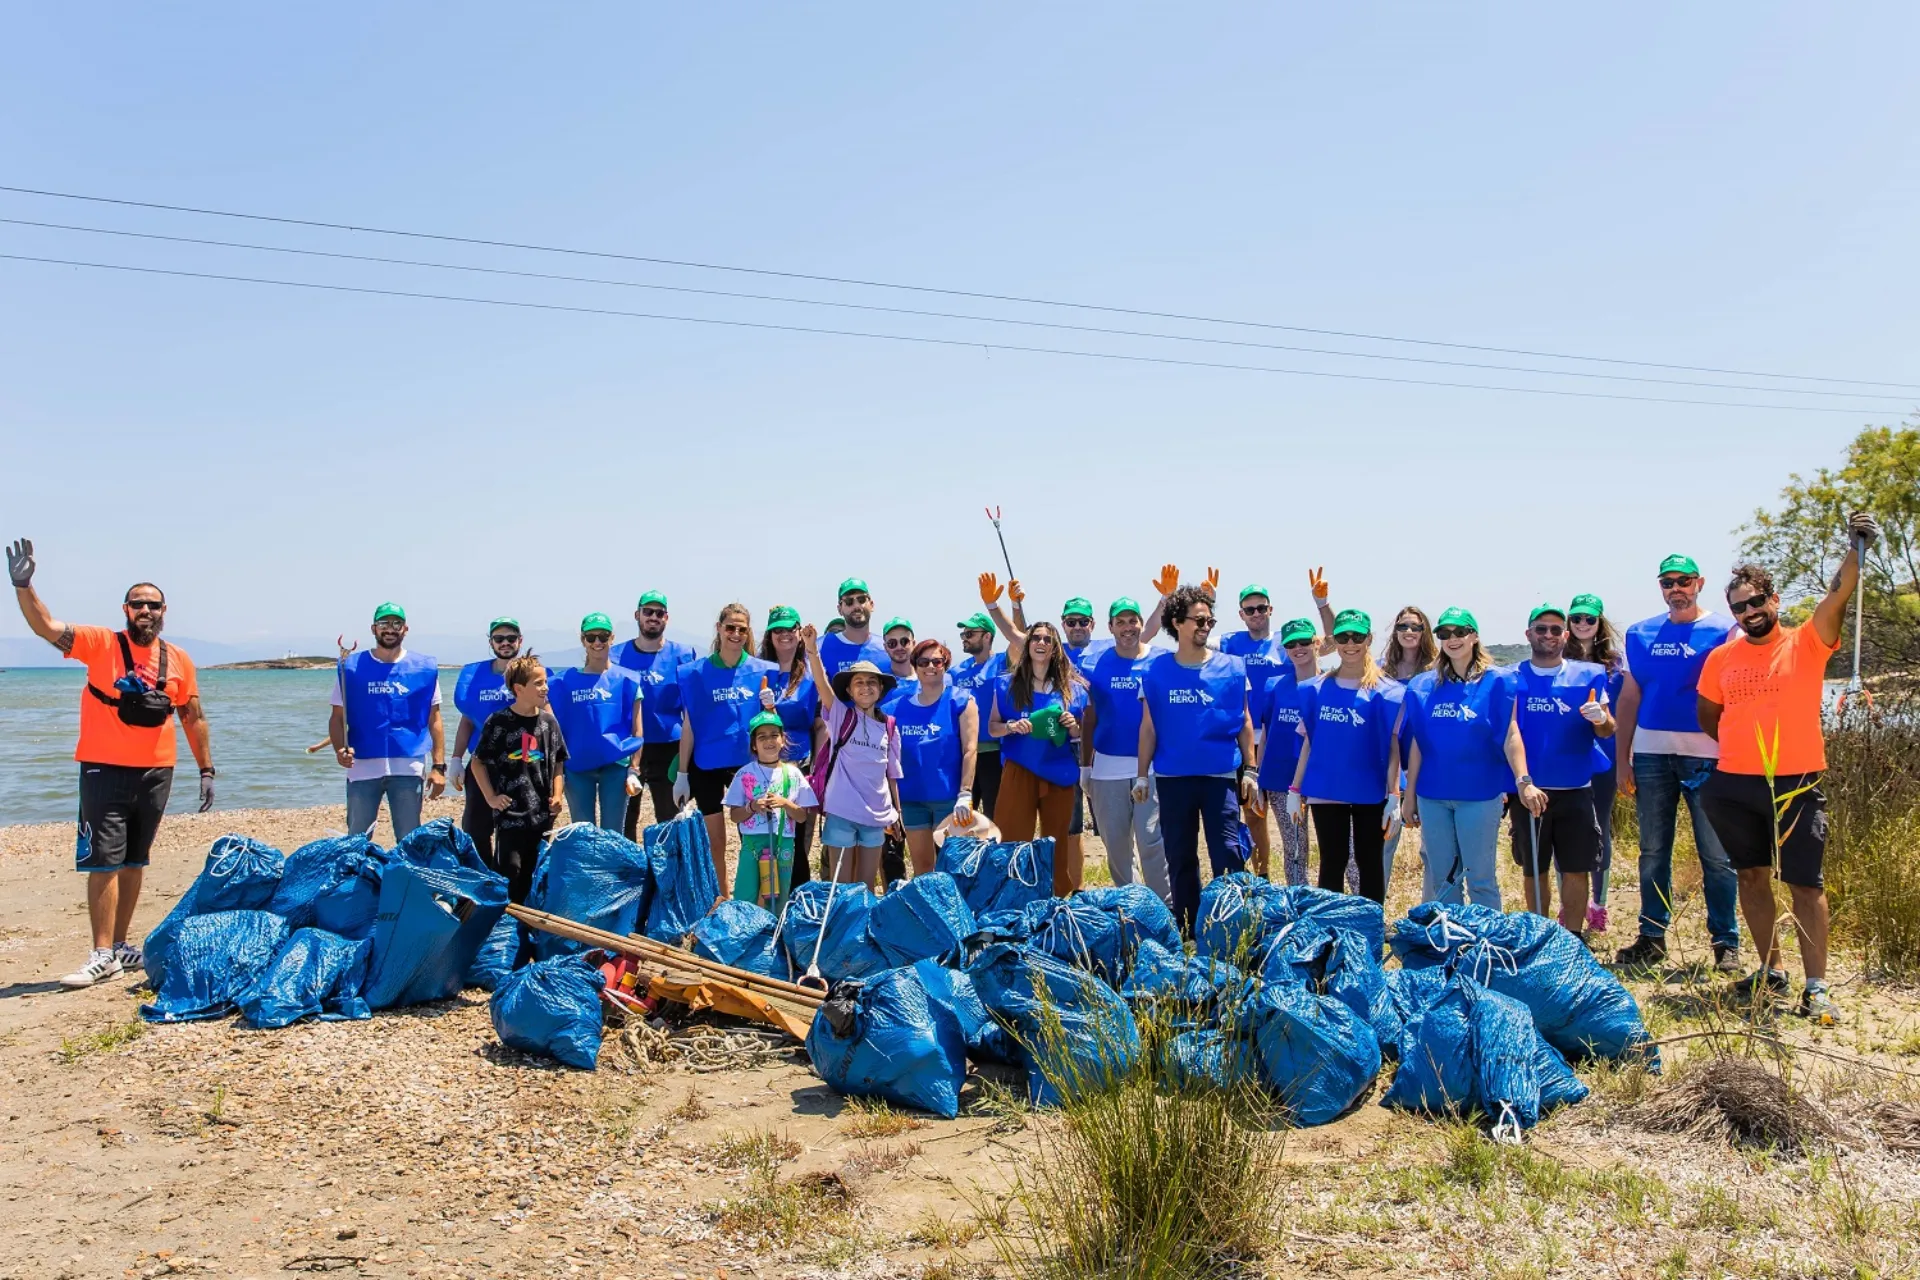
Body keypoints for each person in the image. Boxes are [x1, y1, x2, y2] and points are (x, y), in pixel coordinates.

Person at [8, 539, 215, 989]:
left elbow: (192, 715)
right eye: (138, 604)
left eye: (153, 605)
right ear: (126, 609)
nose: (146, 611)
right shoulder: (100, 644)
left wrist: (206, 770)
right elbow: (45, 626)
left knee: (135, 861)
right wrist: (24, 586)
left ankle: (120, 946)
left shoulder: (178, 658)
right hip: (103, 767)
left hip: (157, 770)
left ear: (165, 610)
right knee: (102, 861)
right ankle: (101, 953)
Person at [1698, 515, 1877, 1025]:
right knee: (1752, 878)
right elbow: (1710, 717)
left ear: (1773, 600)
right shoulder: (1721, 658)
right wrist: (1739, 751)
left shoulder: (1807, 641)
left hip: (1798, 781)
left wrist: (1855, 546)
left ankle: (1816, 987)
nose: (1750, 612)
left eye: (1757, 602)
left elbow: (1839, 592)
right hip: (1733, 784)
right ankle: (1771, 971)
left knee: (1806, 884)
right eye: (1740, 607)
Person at [1613, 555, 1742, 973]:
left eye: (1684, 581)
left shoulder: (1726, 630)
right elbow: (1630, 698)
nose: (1676, 589)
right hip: (1651, 756)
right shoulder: (1641, 633)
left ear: (1699, 582)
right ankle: (1652, 937)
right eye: (1668, 582)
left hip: (1709, 757)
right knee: (1652, 851)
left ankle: (1726, 943)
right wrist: (1622, 760)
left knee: (1717, 856)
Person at [1402, 608, 1543, 909]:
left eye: (1460, 632)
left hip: (1479, 795)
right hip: (1433, 796)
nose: (1453, 639)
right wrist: (1409, 795)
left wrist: (1523, 781)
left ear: (1474, 636)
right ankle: (1452, 947)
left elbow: (1511, 734)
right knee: (1444, 880)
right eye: (1444, 634)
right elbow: (1417, 745)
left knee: (1480, 879)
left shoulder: (1499, 683)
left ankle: (1486, 949)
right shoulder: (1423, 686)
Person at [1138, 586, 1258, 933]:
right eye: (1199, 619)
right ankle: (1188, 927)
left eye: (1210, 620)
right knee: (1180, 856)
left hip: (1219, 777)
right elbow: (1148, 727)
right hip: (1174, 778)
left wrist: (1250, 769)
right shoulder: (1156, 670)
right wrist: (1142, 775)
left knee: (1227, 854)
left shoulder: (1233, 668)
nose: (1206, 626)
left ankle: (1231, 926)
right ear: (1177, 623)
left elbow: (1245, 722)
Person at [1223, 572, 1341, 878]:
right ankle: (1263, 876)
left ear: (1270, 610)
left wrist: (1322, 604)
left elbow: (1334, 640)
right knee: (1257, 815)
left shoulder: (1284, 640)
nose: (1256, 614)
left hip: (1299, 743)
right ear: (1241, 614)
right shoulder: (1231, 642)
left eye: (1261, 608)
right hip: (1256, 738)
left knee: (1332, 838)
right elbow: (1193, 638)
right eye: (1250, 610)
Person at [1508, 604, 1615, 937]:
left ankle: (1572, 938)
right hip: (1530, 792)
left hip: (1577, 789)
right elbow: (1507, 732)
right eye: (1541, 629)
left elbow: (1607, 730)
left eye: (1556, 630)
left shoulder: (1590, 674)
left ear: (1565, 635)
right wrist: (1521, 782)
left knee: (1576, 869)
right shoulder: (1510, 677)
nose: (1549, 635)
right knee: (1534, 870)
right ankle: (1540, 939)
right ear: (1529, 634)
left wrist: (1601, 717)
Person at [1287, 610, 1405, 904]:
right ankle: (1331, 931)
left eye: (1357, 636)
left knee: (1369, 861)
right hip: (1326, 790)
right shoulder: (1315, 689)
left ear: (1369, 639)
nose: (1350, 643)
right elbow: (1309, 743)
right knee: (1331, 861)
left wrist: (1394, 794)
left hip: (1370, 791)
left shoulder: (1388, 692)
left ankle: (1370, 929)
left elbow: (1393, 747)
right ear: (1333, 641)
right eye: (1342, 637)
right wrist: (1294, 788)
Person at [674, 604, 778, 888]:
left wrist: (771, 707)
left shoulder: (762, 671)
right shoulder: (695, 673)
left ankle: (758, 896)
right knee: (715, 841)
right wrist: (682, 774)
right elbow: (689, 725)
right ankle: (721, 898)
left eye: (741, 629)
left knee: (754, 837)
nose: (735, 633)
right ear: (719, 628)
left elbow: (771, 728)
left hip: (744, 765)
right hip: (705, 765)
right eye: (730, 627)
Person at [1081, 598, 1172, 902]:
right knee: (1117, 847)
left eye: (1133, 620)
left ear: (1141, 624)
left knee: (1152, 843)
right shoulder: (1094, 664)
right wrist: (1085, 767)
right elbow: (1089, 717)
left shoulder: (1161, 661)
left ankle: (1165, 909)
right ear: (1110, 627)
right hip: (1107, 767)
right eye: (1120, 622)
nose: (1127, 627)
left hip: (1153, 767)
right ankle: (1133, 906)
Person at [329, 603, 446, 839]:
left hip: (408, 765)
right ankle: (358, 876)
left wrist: (438, 766)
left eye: (396, 624)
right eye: (384, 624)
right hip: (362, 766)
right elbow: (337, 717)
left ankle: (405, 876)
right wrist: (339, 749)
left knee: (409, 838)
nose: (390, 629)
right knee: (357, 838)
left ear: (405, 629)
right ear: (374, 629)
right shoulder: (350, 668)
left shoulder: (423, 668)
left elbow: (434, 719)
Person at [989, 619, 1090, 893]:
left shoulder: (1073, 689)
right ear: (1027, 645)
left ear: (1056, 647)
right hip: (1019, 769)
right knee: (1011, 838)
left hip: (1059, 772)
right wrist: (1011, 727)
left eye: (1047, 639)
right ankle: (1008, 899)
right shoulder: (1006, 685)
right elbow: (992, 727)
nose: (1041, 643)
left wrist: (1073, 726)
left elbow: (1078, 736)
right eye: (1036, 638)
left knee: (1057, 841)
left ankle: (1056, 901)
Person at [801, 630, 904, 887]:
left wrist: (897, 813)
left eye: (872, 682)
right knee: (842, 885)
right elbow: (822, 683)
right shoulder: (840, 716)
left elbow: (891, 774)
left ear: (880, 689)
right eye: (859, 682)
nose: (866, 687)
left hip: (876, 815)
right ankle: (841, 928)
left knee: (866, 885)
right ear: (849, 689)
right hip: (842, 811)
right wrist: (812, 650)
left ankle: (860, 928)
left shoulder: (890, 726)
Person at [469, 655, 567, 905]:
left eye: (546, 682)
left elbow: (558, 763)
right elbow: (478, 762)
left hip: (541, 814)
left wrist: (557, 796)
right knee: (511, 870)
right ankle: (507, 925)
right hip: (510, 814)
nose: (545, 687)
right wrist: (491, 797)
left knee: (534, 874)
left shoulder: (549, 722)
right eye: (538, 683)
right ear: (519, 689)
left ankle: (528, 930)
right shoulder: (499, 721)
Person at [888, 638, 979, 875]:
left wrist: (965, 794)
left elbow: (970, 750)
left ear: (945, 665)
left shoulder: (960, 701)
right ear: (915, 666)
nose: (930, 666)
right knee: (923, 867)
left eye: (937, 661)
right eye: (924, 661)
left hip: (949, 799)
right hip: (911, 799)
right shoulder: (894, 708)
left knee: (953, 867)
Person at [547, 613, 645, 830]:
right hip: (577, 767)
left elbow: (637, 731)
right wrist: (556, 773)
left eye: (603, 636)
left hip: (616, 766)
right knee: (582, 832)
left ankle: (613, 866)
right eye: (591, 637)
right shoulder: (562, 682)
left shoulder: (628, 679)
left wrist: (634, 769)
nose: (597, 642)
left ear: (612, 638)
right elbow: (553, 729)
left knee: (613, 832)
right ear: (583, 640)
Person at [611, 590, 696, 840]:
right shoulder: (616, 656)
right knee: (624, 821)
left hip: (669, 746)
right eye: (648, 612)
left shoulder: (683, 655)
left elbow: (691, 708)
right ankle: (627, 875)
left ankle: (669, 876)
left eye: (659, 613)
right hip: (627, 747)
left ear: (666, 618)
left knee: (670, 821)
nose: (653, 617)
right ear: (637, 615)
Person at [1565, 593, 1626, 934]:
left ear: (1600, 622)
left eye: (1589, 619)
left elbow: (1625, 711)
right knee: (1568, 834)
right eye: (1577, 619)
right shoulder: (1561, 660)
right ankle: (1568, 905)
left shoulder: (1616, 664)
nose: (1583, 625)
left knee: (1600, 829)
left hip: (1607, 757)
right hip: (1570, 757)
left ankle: (1598, 905)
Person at [722, 711, 817, 912]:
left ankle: (774, 934)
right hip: (752, 843)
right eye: (762, 736)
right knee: (745, 892)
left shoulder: (792, 774)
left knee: (778, 894)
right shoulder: (745, 773)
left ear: (783, 740)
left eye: (774, 735)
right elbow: (734, 816)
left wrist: (785, 803)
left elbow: (801, 817)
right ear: (754, 745)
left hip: (784, 842)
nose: (769, 740)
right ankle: (744, 932)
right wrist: (752, 806)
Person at [449, 618, 525, 866]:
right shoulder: (474, 675)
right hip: (482, 763)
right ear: (491, 642)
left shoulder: (530, 672)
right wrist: (456, 759)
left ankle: (512, 884)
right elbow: (467, 721)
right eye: (499, 639)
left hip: (519, 763)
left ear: (520, 641)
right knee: (475, 826)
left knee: (514, 827)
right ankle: (483, 878)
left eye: (510, 638)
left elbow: (547, 719)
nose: (505, 643)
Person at [1253, 618, 1323, 887]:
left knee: (1339, 849)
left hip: (1323, 779)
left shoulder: (1331, 683)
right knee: (1295, 847)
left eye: (1304, 641)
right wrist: (1260, 779)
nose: (1298, 648)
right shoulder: (1274, 685)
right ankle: (1298, 902)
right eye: (1291, 644)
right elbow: (1267, 734)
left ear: (1316, 643)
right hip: (1282, 778)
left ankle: (1345, 905)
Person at [759, 605, 821, 883]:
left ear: (799, 633)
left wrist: (819, 768)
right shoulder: (758, 669)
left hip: (802, 762)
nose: (784, 635)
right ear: (769, 635)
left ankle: (798, 895)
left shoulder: (811, 673)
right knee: (765, 837)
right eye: (778, 630)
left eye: (790, 629)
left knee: (798, 838)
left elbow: (821, 723)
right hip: (765, 765)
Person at [950, 610, 1007, 820]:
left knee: (996, 816)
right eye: (963, 634)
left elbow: (1020, 639)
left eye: (970, 634)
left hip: (995, 753)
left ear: (987, 636)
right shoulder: (956, 672)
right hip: (965, 755)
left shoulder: (1003, 663)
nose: (965, 638)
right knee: (964, 817)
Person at [819, 578, 888, 676]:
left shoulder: (886, 649)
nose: (856, 606)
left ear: (872, 605)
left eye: (861, 600)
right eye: (849, 601)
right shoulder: (820, 648)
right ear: (840, 609)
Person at [880, 617, 919, 682]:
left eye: (904, 642)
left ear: (913, 644)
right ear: (885, 647)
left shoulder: (927, 680)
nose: (899, 647)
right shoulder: (881, 681)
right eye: (892, 643)